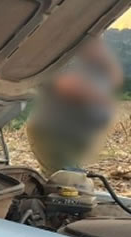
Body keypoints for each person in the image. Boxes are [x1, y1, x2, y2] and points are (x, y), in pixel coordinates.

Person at [26, 36, 123, 175]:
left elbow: (115, 77)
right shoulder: (66, 59)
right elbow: (67, 86)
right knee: (66, 183)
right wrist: (99, 98)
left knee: (63, 180)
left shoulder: (95, 65)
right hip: (54, 133)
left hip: (70, 137)